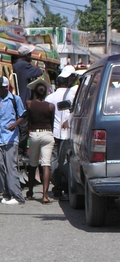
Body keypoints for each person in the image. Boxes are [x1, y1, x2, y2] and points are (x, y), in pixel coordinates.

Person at [0, 76, 26, 205]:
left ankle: (18, 195)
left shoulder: (15, 99)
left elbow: (22, 116)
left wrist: (15, 124)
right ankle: (6, 192)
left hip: (11, 138)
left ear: (6, 87)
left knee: (11, 166)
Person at [45, 65, 78, 200]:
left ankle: (64, 185)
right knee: (60, 161)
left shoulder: (74, 91)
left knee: (61, 162)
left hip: (67, 133)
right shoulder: (68, 92)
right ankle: (62, 186)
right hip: (60, 134)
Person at [24, 78, 55, 203]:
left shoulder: (29, 104)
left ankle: (30, 192)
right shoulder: (51, 106)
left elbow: (28, 121)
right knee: (46, 165)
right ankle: (45, 195)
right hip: (47, 134)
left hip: (35, 134)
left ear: (35, 92)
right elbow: (52, 123)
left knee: (33, 164)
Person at [13, 44, 43, 156]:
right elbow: (39, 71)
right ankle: (20, 151)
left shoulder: (16, 64)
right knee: (23, 128)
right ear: (27, 55)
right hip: (22, 103)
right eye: (30, 54)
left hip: (15, 102)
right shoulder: (24, 65)